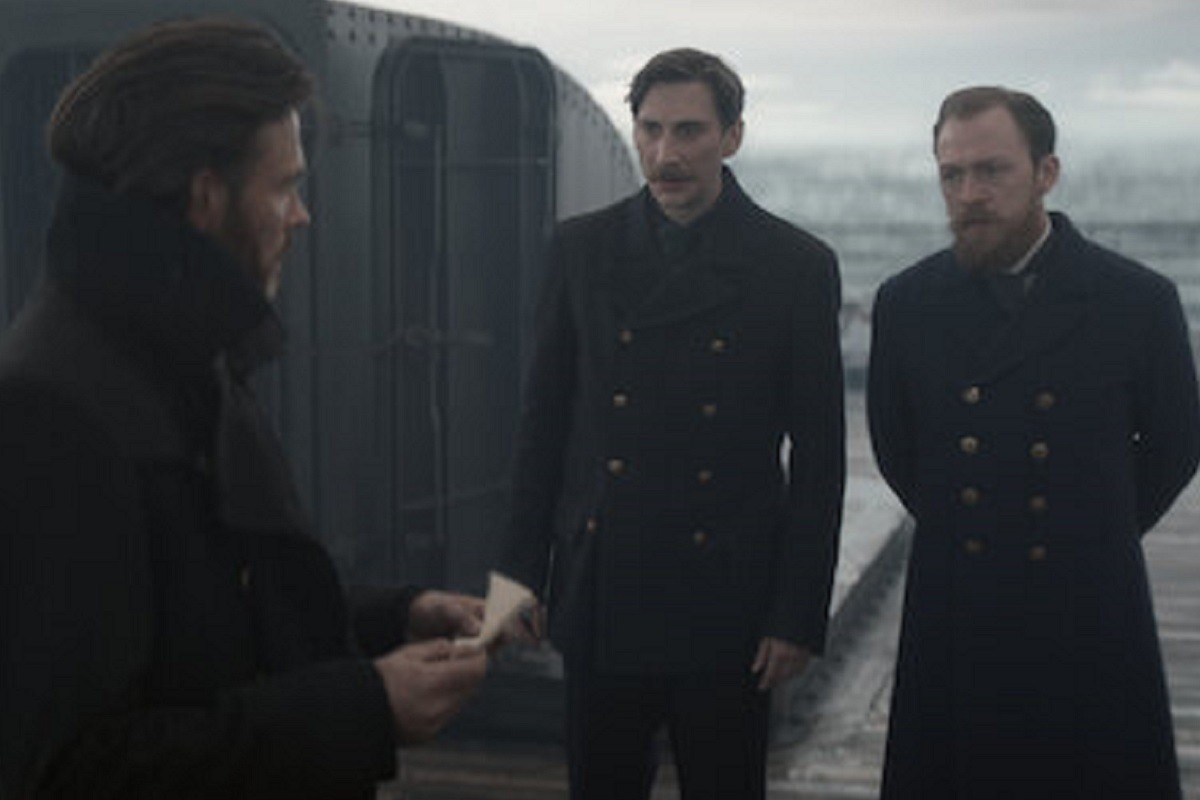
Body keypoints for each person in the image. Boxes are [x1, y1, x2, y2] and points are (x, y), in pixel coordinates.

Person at [0, 18, 489, 799]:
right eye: (285, 186)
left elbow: (215, 609)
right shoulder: (51, 415)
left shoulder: (167, 354)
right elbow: (64, 767)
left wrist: (395, 619)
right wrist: (364, 707)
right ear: (205, 196)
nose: (302, 216)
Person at [500, 47, 845, 800]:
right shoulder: (580, 249)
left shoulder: (795, 266)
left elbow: (820, 460)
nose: (666, 154)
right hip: (604, 588)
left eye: (689, 131)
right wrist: (516, 576)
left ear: (732, 136)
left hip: (726, 601)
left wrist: (796, 616)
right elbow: (541, 426)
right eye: (650, 130)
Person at [868, 86, 1200, 799]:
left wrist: (1095, 525)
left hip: (1088, 599)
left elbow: (1175, 444)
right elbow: (898, 447)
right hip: (958, 597)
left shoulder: (1136, 301)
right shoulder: (906, 302)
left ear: (1046, 172)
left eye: (992, 170)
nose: (970, 194)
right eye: (952, 175)